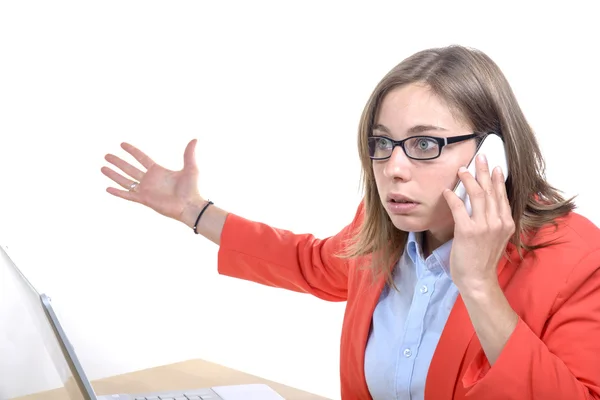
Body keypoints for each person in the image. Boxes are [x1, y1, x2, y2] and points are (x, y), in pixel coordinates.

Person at [101, 45, 600, 400]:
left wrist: (478, 287)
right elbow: (307, 261)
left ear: (495, 155)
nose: (394, 168)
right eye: (383, 143)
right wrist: (195, 211)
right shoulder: (387, 233)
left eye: (425, 144)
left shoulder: (576, 260)